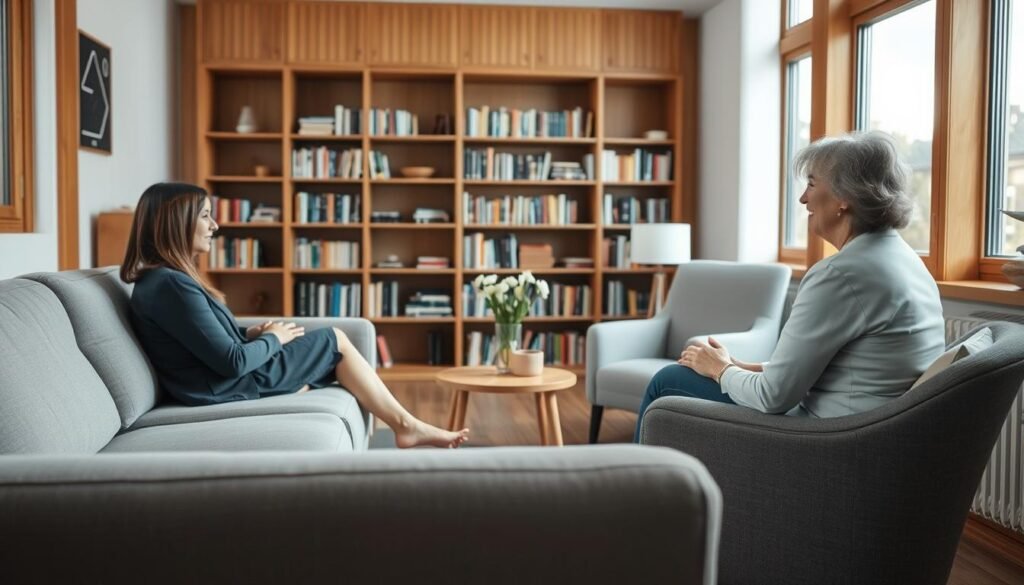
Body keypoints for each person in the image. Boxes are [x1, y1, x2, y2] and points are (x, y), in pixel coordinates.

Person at [635, 131, 945, 441]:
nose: (803, 198)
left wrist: (720, 370)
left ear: (844, 198)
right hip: (869, 430)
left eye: (812, 184)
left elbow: (773, 397)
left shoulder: (840, 275)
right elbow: (844, 367)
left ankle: (637, 485)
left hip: (827, 439)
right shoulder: (904, 258)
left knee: (669, 380)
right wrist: (739, 366)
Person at [121, 182, 469, 449]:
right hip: (225, 386)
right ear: (175, 223)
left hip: (212, 382)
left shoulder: (161, 280)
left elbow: (203, 343)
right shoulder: (171, 286)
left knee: (327, 352)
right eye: (205, 216)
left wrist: (253, 336)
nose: (215, 225)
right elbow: (233, 363)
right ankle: (405, 425)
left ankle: (396, 421)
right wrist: (274, 339)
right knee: (335, 340)